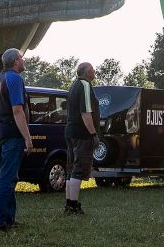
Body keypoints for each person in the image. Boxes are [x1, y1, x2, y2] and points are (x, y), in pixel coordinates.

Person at [0, 48, 32, 232]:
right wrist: (28, 138)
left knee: (10, 176)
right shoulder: (14, 79)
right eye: (22, 58)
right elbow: (17, 110)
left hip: (1, 134)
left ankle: (9, 218)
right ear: (15, 62)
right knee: (6, 178)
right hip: (13, 135)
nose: (24, 60)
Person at [64, 61, 98, 215]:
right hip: (81, 134)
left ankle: (69, 204)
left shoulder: (73, 85)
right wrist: (93, 133)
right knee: (78, 169)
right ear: (85, 72)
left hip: (70, 132)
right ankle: (74, 206)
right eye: (92, 69)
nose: (94, 71)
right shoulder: (84, 85)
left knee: (71, 169)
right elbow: (85, 112)